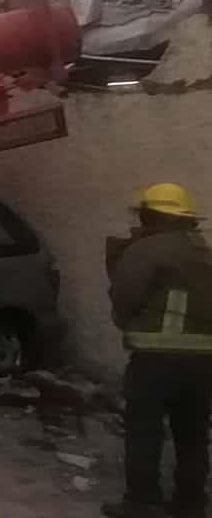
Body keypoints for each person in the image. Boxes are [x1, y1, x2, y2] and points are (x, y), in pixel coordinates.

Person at [105, 183, 212, 518]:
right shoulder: (204, 251)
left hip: (155, 361)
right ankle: (191, 502)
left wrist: (125, 320)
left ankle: (142, 502)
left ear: (152, 214)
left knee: (144, 430)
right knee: (193, 432)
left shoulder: (145, 250)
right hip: (203, 362)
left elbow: (125, 300)